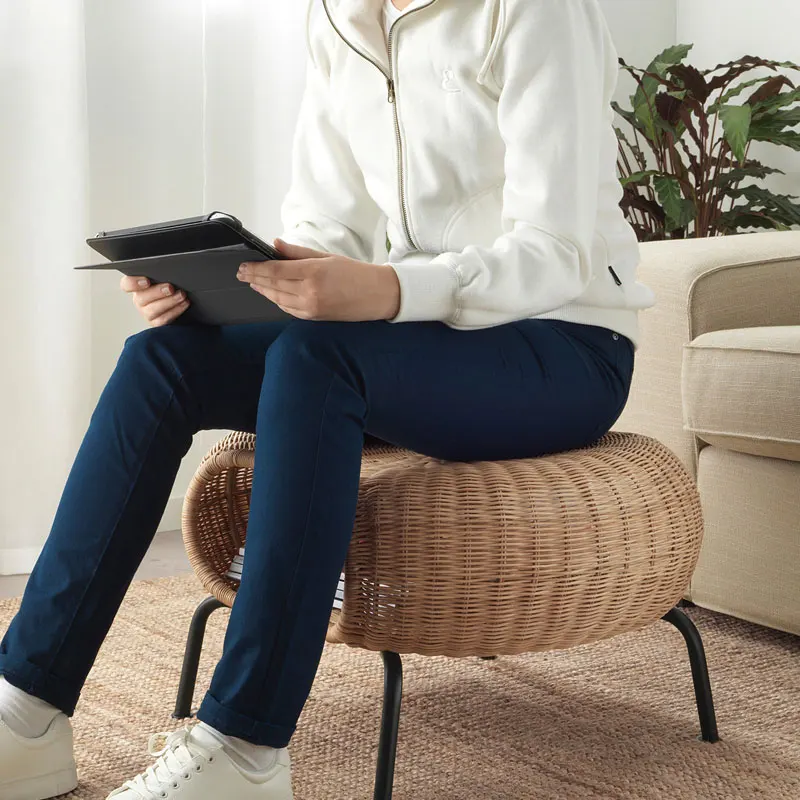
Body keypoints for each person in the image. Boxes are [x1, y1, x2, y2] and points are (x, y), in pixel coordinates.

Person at [0, 0, 656, 797]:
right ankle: (25, 711)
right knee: (162, 359)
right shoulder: (340, 15)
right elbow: (328, 227)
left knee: (318, 361)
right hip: (418, 335)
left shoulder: (531, 10)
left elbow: (556, 250)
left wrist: (387, 289)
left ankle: (245, 747)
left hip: (565, 340)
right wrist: (223, 290)